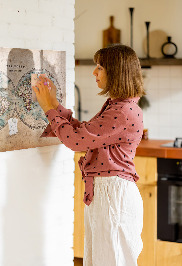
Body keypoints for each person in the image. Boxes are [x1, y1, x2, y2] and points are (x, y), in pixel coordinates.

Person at [33, 44, 145, 266]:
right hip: (108, 193)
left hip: (113, 195)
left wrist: (48, 108)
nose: (94, 72)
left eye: (100, 67)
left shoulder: (122, 111)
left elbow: (76, 141)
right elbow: (84, 133)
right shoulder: (118, 106)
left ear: (116, 72)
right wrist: (54, 104)